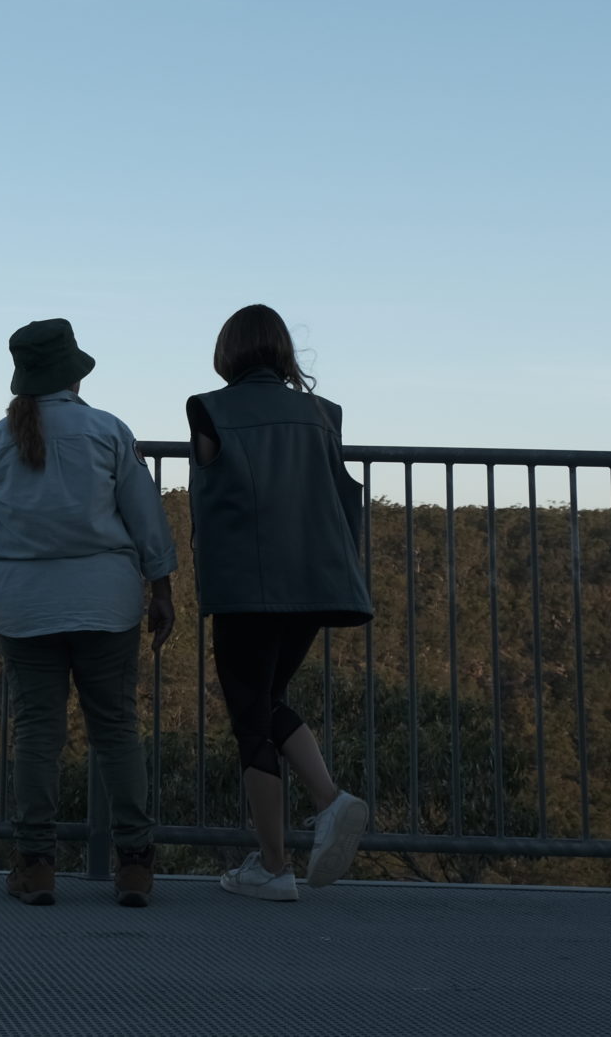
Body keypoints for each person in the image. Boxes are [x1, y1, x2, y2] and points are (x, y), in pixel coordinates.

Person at [0, 318, 177, 908]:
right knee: (116, 729)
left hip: (25, 607)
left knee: (37, 733)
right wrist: (162, 589)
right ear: (75, 373)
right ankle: (134, 866)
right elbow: (147, 520)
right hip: (108, 601)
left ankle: (36, 864)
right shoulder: (110, 432)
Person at [186, 304, 374, 901]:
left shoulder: (208, 410)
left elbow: (211, 498)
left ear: (229, 351)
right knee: (266, 701)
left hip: (246, 588)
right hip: (315, 585)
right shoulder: (324, 415)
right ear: (283, 350)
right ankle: (329, 801)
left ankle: (273, 865)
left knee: (249, 720)